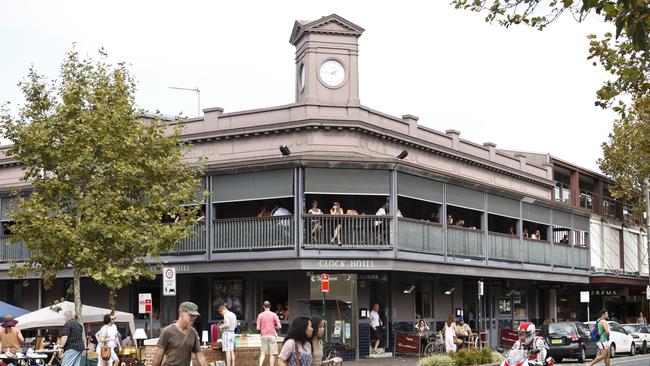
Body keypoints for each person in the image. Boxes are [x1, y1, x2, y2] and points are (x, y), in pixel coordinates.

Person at [152, 302, 208, 366]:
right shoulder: (167, 331)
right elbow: (158, 357)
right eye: (191, 314)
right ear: (181, 312)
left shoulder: (193, 332)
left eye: (195, 315)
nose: (194, 317)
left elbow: (200, 356)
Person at [257, 301, 281, 366]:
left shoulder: (260, 315)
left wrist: (263, 327)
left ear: (263, 306)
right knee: (272, 354)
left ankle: (260, 365)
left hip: (263, 335)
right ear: (270, 306)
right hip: (272, 335)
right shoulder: (274, 315)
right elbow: (279, 326)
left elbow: (258, 328)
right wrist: (273, 326)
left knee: (262, 353)